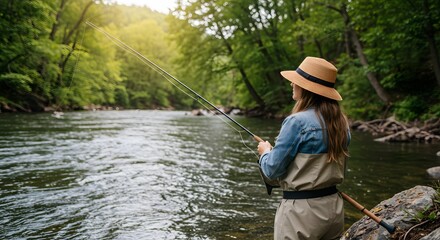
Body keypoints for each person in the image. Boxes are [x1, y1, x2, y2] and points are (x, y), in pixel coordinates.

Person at [257, 56, 351, 240]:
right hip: (334, 208)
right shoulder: (342, 123)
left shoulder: (296, 122)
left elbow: (272, 169)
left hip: (301, 213)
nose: (292, 84)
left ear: (306, 88)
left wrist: (265, 153)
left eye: (296, 81)